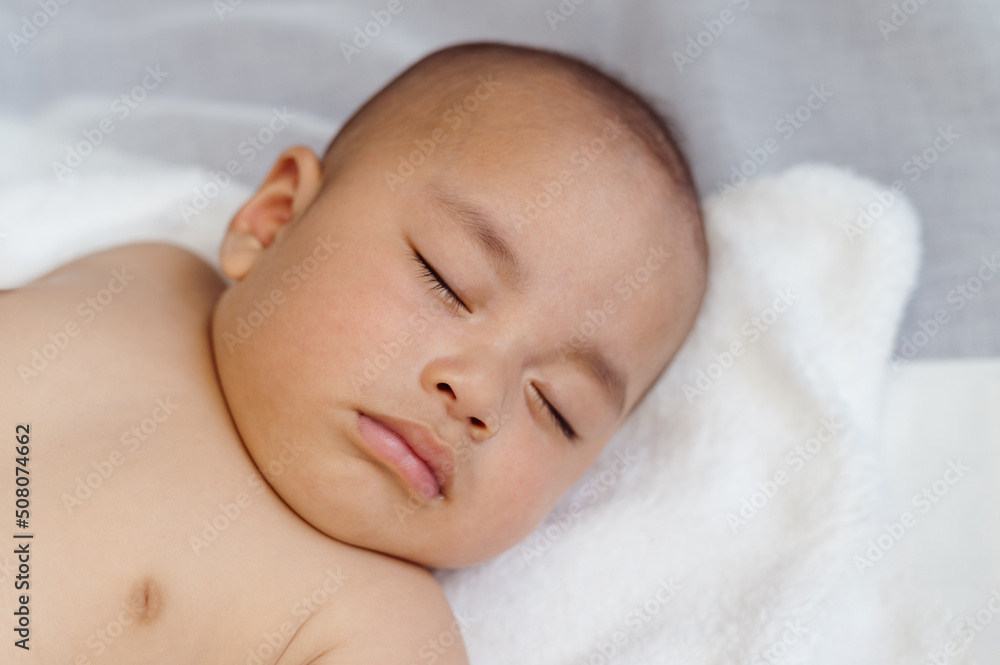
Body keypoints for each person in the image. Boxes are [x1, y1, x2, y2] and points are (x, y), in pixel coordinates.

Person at [1, 41, 707, 663]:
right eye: (447, 279)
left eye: (557, 407)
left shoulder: (374, 622)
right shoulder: (141, 276)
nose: (479, 392)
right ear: (275, 221)